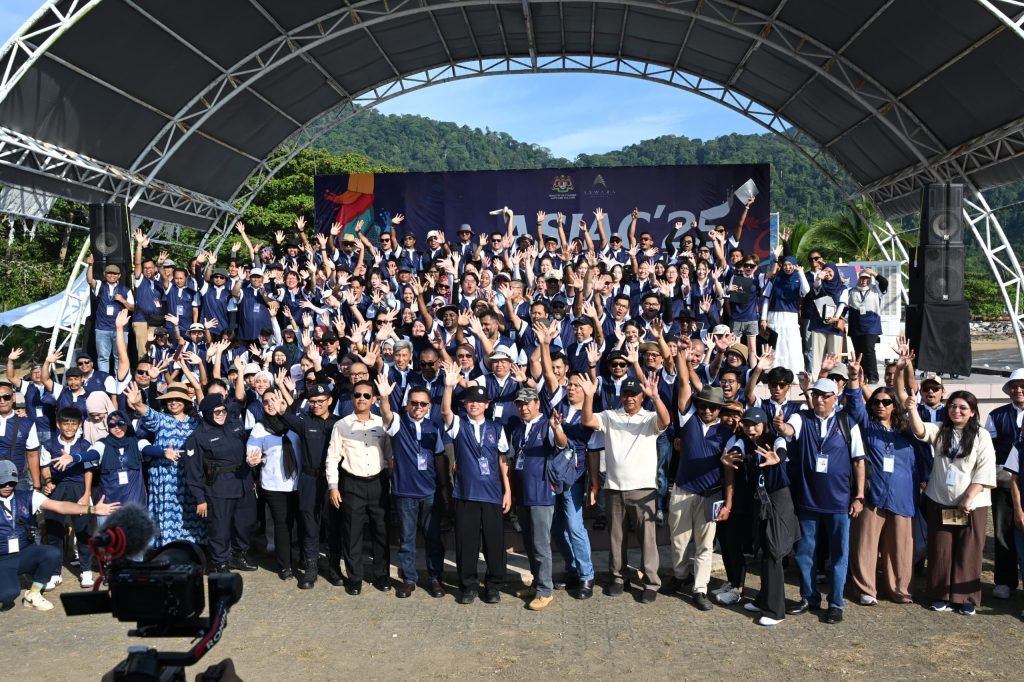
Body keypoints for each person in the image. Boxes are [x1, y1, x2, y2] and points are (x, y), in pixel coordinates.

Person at [775, 377, 866, 625]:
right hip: (808, 500)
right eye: (816, 394)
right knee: (805, 553)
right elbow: (789, 430)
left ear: (835, 398)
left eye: (825, 395)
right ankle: (809, 597)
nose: (819, 399)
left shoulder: (847, 422)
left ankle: (836, 603)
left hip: (839, 502)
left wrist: (859, 496)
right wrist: (781, 427)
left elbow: (859, 461)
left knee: (838, 554)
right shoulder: (802, 418)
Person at [579, 372, 669, 603]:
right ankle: (619, 577)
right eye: (626, 394)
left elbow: (666, 421)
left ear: (641, 397)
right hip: (614, 488)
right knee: (616, 537)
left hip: (643, 489)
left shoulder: (650, 417)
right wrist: (589, 396)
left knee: (647, 539)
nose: (629, 398)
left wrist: (656, 397)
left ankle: (651, 582)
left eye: (634, 394)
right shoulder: (610, 415)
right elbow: (587, 421)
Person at [907, 390, 996, 615]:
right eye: (953, 406)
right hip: (940, 499)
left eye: (963, 407)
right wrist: (911, 408)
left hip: (972, 504)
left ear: (972, 412)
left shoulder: (982, 435)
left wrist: (969, 497)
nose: (957, 411)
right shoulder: (940, 430)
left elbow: (985, 469)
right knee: (941, 549)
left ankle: (965, 597)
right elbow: (920, 430)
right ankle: (940, 594)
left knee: (969, 550)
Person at [843, 358, 917, 605]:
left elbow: (908, 393)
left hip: (902, 496)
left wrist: (905, 368)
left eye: (886, 402)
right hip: (873, 493)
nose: (880, 406)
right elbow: (855, 403)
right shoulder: (866, 425)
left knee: (900, 547)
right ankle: (866, 589)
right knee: (865, 543)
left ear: (894, 406)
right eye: (876, 402)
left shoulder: (906, 430)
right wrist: (854, 377)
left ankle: (899, 589)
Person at [0, 460, 119, 611]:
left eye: (11, 482)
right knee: (8, 595)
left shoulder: (28, 496)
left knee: (52, 553)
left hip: (24, 552)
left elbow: (60, 506)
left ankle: (33, 594)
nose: (7, 486)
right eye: (2, 483)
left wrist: (92, 509)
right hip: (3, 558)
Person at [440, 362, 511, 605]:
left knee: (494, 543)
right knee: (466, 543)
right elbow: (445, 413)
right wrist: (448, 387)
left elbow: (503, 460)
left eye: (479, 401)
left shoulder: (497, 428)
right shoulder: (458, 424)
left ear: (487, 405)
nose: (474, 404)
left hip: (492, 494)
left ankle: (493, 586)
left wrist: (507, 491)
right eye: (470, 401)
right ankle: (468, 586)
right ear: (465, 404)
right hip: (466, 493)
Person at [720, 407, 798, 626]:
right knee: (763, 549)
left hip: (779, 500)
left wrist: (778, 459)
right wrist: (728, 457)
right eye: (746, 425)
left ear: (764, 424)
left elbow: (781, 451)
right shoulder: (744, 441)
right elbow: (736, 449)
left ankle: (775, 611)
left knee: (774, 552)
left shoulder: (776, 439)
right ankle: (764, 598)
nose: (750, 429)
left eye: (755, 425)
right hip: (761, 501)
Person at [664, 366, 732, 612]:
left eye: (712, 407)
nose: (707, 411)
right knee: (678, 541)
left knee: (705, 545)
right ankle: (680, 575)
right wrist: (681, 354)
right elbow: (683, 382)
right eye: (703, 406)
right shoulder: (688, 419)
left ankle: (700, 589)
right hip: (683, 489)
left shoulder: (727, 433)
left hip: (711, 494)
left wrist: (728, 502)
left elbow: (729, 471)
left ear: (720, 409)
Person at [377, 376, 446, 599]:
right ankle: (409, 579)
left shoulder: (433, 427)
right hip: (404, 492)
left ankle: (435, 578)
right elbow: (386, 414)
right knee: (407, 540)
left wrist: (443, 487)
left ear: (429, 406)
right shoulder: (398, 421)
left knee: (433, 538)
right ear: (407, 404)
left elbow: (438, 457)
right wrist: (384, 397)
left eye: (423, 404)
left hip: (429, 492)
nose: (418, 407)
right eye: (414, 403)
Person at [326, 380, 393, 595]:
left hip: (378, 484)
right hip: (352, 484)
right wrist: (333, 486)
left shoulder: (382, 423)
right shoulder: (341, 425)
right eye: (357, 395)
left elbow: (389, 455)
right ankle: (355, 578)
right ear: (352, 398)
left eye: (366, 395)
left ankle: (381, 575)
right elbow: (332, 457)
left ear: (374, 399)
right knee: (352, 533)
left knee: (381, 532)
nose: (361, 399)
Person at [270, 383, 338, 590]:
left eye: (320, 401)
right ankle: (310, 569)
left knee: (334, 525)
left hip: (333, 481)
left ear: (330, 401)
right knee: (310, 525)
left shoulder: (339, 423)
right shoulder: (304, 422)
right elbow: (287, 417)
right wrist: (282, 410)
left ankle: (334, 567)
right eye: (312, 402)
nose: (316, 405)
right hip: (309, 480)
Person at [184, 394, 259, 573]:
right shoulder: (198, 437)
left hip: (243, 482)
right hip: (219, 488)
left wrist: (253, 470)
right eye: (216, 412)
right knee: (220, 528)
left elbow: (247, 450)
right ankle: (221, 562)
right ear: (207, 413)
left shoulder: (234, 425)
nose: (221, 414)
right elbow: (193, 472)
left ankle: (238, 555)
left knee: (246, 523)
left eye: (223, 410)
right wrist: (200, 499)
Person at [124, 381, 205, 547]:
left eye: (178, 399)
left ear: (186, 401)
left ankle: (190, 549)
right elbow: (148, 414)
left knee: (188, 514)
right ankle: (167, 549)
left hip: (188, 477)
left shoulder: (195, 422)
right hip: (164, 476)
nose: (173, 402)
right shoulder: (162, 419)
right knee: (166, 513)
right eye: (170, 399)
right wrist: (138, 404)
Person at [508, 386, 559, 610]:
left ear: (537, 404)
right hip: (523, 494)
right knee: (529, 543)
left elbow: (561, 443)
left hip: (541, 494)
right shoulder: (518, 429)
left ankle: (545, 590)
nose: (524, 408)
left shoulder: (547, 425)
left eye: (527, 403)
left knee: (540, 545)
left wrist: (557, 429)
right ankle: (537, 583)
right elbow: (513, 460)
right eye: (520, 404)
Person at [247, 387, 302, 580]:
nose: (270, 404)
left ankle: (304, 559)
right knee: (282, 524)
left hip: (299, 483)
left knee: (300, 521)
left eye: (274, 399)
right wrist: (252, 459)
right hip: (274, 485)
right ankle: (285, 565)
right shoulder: (260, 427)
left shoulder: (295, 423)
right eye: (266, 401)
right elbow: (252, 450)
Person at [39, 407, 95, 589]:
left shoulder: (85, 445)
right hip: (58, 489)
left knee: (83, 530)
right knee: (54, 531)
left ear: (79, 425)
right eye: (66, 423)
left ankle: (86, 570)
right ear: (58, 424)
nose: (69, 427)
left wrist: (87, 494)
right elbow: (45, 467)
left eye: (73, 423)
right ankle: (55, 572)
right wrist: (48, 482)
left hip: (79, 488)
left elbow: (88, 470)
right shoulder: (49, 444)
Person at [983, 367, 1024, 601]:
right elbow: (989, 448)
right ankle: (1005, 580)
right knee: (1002, 530)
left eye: (1022, 386)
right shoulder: (996, 415)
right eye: (1014, 386)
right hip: (1004, 481)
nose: (1018, 390)